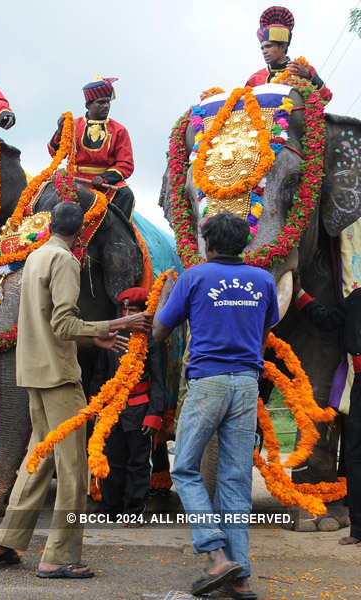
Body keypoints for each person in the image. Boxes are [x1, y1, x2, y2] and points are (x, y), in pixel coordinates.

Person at [0, 202, 152, 579]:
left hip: (34, 372)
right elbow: (63, 323)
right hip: (58, 376)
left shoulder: (35, 258)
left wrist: (98, 339)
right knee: (73, 469)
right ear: (82, 233)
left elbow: (46, 324)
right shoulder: (65, 261)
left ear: (50, 226)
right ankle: (57, 556)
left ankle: (4, 542)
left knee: (39, 458)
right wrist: (117, 323)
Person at [153, 211, 280, 599]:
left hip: (207, 382)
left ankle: (216, 554)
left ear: (207, 243)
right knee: (236, 479)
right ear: (245, 244)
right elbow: (264, 331)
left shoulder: (194, 277)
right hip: (246, 384)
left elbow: (160, 331)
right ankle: (240, 580)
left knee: (186, 468)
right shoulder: (263, 280)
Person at [292, 276, 361, 547]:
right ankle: (358, 529)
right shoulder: (356, 298)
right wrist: (299, 295)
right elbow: (329, 320)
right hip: (359, 385)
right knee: (355, 456)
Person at [91, 286, 166, 523]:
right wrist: (97, 406)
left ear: (143, 313)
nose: (126, 315)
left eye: (132, 310)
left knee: (138, 463)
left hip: (140, 409)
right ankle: (109, 508)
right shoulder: (111, 337)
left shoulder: (153, 340)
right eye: (123, 309)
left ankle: (135, 511)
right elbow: (99, 375)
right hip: (112, 410)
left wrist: (155, 414)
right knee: (112, 459)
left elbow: (158, 380)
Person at [48, 76, 135, 219]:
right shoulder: (73, 125)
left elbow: (126, 164)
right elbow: (54, 153)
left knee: (126, 194)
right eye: (100, 102)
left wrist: (104, 178)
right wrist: (59, 132)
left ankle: (119, 239)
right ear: (88, 105)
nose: (106, 106)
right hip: (75, 178)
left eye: (107, 102)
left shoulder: (120, 130)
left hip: (104, 183)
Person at [246, 6, 332, 102]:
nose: (264, 51)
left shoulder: (302, 70)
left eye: (269, 46)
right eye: (262, 48)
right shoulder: (255, 79)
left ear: (283, 47)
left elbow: (326, 97)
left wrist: (309, 76)